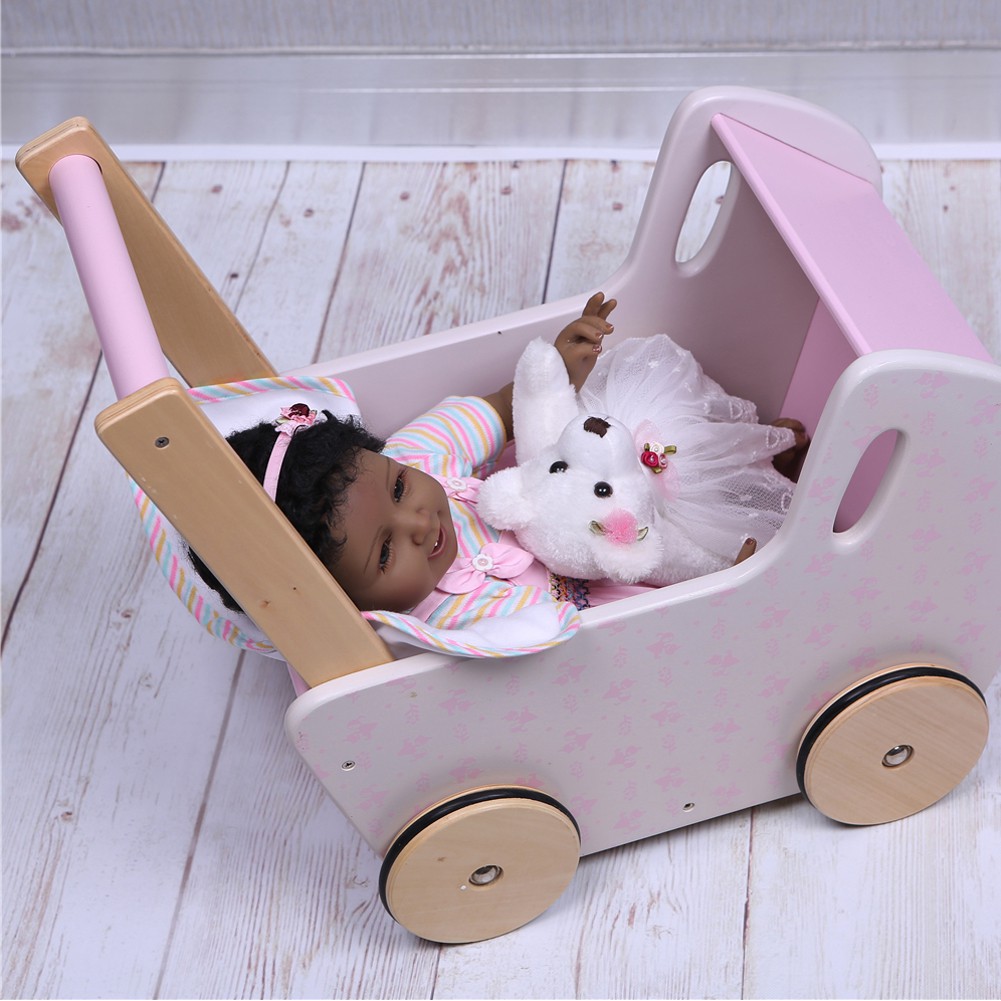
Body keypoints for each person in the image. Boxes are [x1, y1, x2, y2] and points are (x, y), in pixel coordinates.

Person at [191, 293, 805, 653]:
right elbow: (554, 649)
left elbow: (496, 411)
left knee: (644, 444)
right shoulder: (431, 628)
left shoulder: (416, 455)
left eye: (398, 489)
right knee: (707, 602)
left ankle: (746, 459)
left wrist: (557, 371)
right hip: (615, 599)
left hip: (577, 481)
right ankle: (748, 559)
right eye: (384, 553)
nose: (418, 521)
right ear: (344, 600)